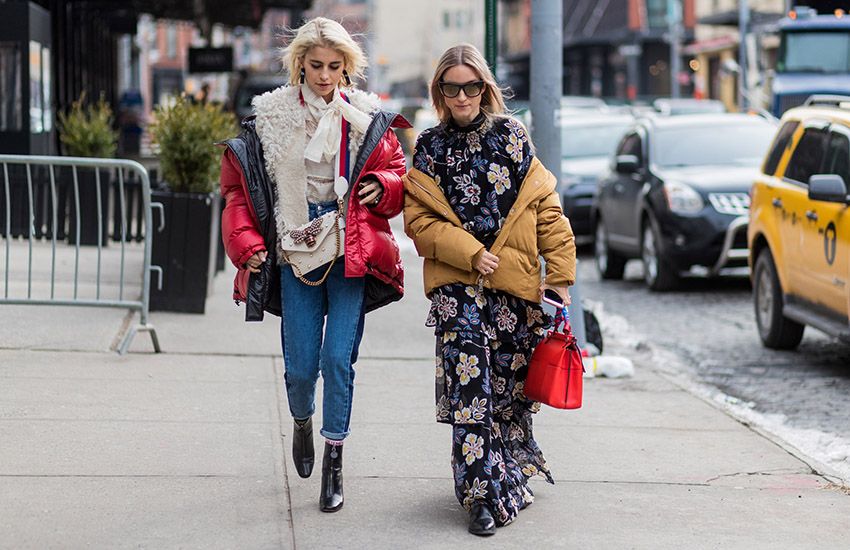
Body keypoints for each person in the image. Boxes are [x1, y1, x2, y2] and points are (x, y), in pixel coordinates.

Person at [219, 17, 409, 513]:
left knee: (337, 361)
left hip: (350, 247)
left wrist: (382, 188)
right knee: (302, 369)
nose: (325, 75)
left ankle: (334, 459)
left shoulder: (367, 116)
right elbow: (239, 189)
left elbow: (397, 173)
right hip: (294, 246)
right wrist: (247, 247)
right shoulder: (271, 116)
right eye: (316, 65)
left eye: (334, 66)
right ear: (299, 63)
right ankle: (302, 420)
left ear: (348, 67)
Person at [403, 44, 576, 536]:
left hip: (513, 286)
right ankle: (478, 494)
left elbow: (547, 210)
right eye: (451, 87)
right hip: (457, 284)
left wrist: (559, 278)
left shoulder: (513, 137)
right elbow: (417, 221)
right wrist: (469, 252)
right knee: (470, 384)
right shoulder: (430, 146)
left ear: (485, 87)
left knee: (506, 388)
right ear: (440, 91)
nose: (462, 96)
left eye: (471, 86)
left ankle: (506, 471)